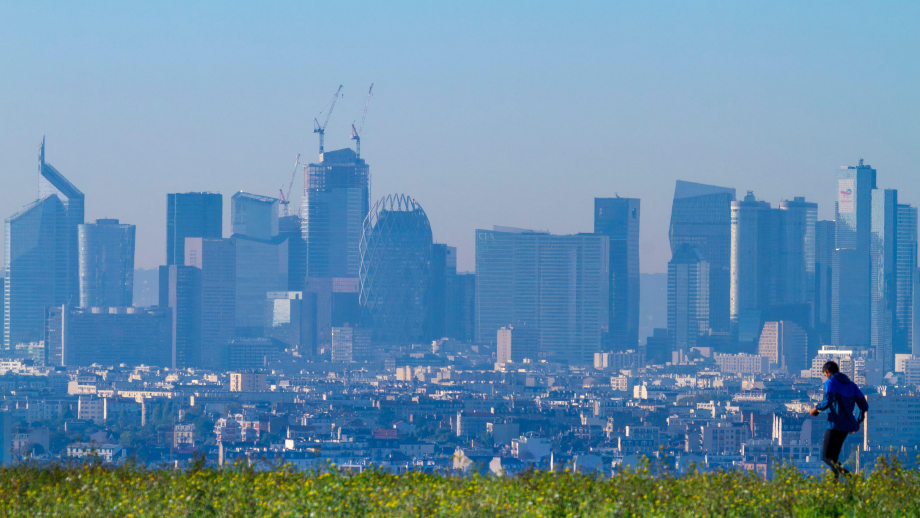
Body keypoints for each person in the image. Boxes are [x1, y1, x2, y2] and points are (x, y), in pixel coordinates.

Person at [809, 361, 869, 479]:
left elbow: (828, 400)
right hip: (846, 426)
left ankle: (849, 477)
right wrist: (857, 420)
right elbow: (864, 405)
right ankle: (835, 486)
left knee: (826, 457)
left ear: (828, 372)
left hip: (834, 424)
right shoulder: (852, 385)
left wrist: (816, 409)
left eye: (825, 374)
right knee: (834, 458)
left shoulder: (830, 382)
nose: (825, 377)